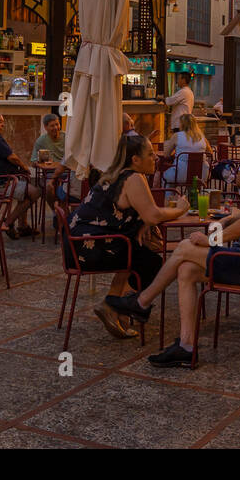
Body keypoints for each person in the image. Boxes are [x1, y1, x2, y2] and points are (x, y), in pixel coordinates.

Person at [107, 134, 240, 368]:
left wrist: (211, 240)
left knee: (186, 247)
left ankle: (143, 302)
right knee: (187, 270)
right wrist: (229, 217)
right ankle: (186, 346)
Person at [67, 133, 190, 339]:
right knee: (151, 263)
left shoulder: (116, 174)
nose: (156, 158)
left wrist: (140, 224)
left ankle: (115, 307)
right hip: (90, 248)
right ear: (135, 160)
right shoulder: (133, 178)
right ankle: (116, 306)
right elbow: (153, 214)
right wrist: (180, 209)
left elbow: (140, 214)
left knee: (138, 249)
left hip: (78, 246)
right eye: (150, 154)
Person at [162, 113, 212, 184]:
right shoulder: (202, 137)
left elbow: (166, 155)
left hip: (180, 174)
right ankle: (192, 193)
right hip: (201, 174)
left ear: (182, 124)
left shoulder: (177, 136)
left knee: (166, 178)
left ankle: (170, 194)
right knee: (192, 182)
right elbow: (210, 153)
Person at [31, 113, 70, 203]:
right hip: (50, 173)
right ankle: (55, 211)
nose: (56, 128)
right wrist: (39, 160)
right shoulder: (41, 141)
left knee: (72, 188)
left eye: (57, 124)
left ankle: (64, 212)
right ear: (45, 127)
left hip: (67, 172)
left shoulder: (67, 137)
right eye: (52, 126)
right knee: (49, 188)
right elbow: (33, 163)